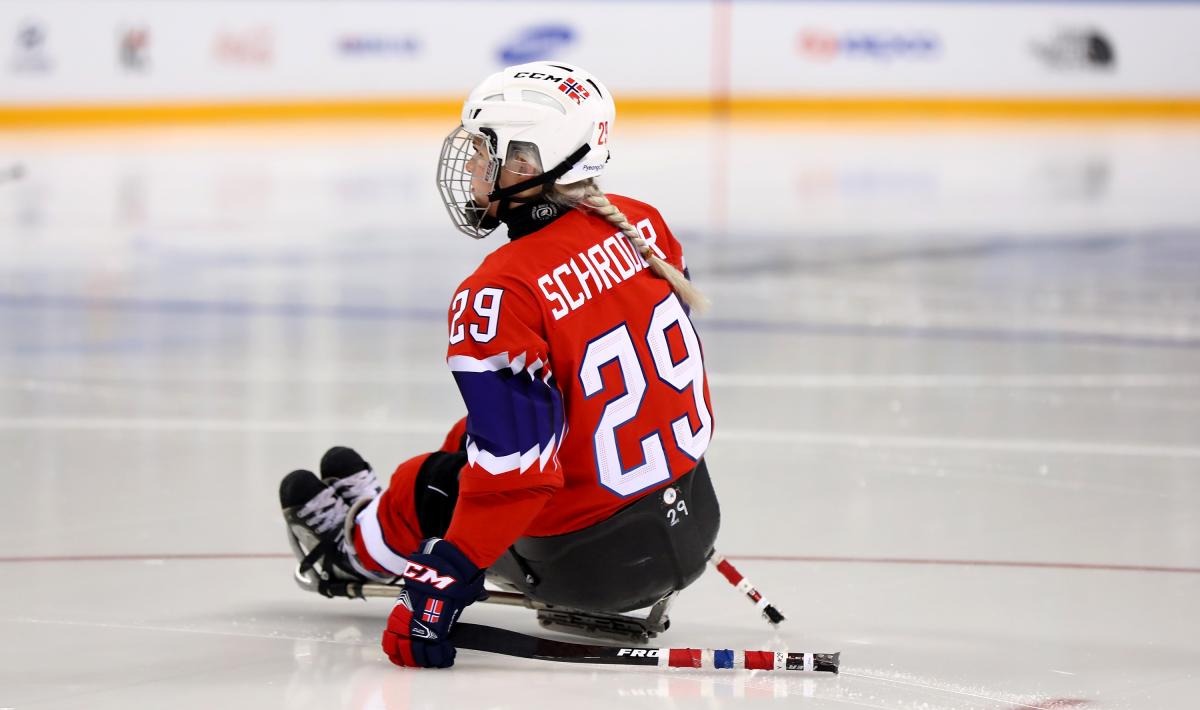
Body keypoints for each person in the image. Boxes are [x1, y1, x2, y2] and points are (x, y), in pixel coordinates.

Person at [279, 61, 720, 669]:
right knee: (477, 435)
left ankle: (347, 549)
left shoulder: (498, 292)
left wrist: (446, 581)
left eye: (485, 153)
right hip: (690, 517)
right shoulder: (641, 221)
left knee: (433, 482)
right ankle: (378, 522)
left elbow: (518, 475)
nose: (472, 168)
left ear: (529, 164)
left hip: (590, 564)